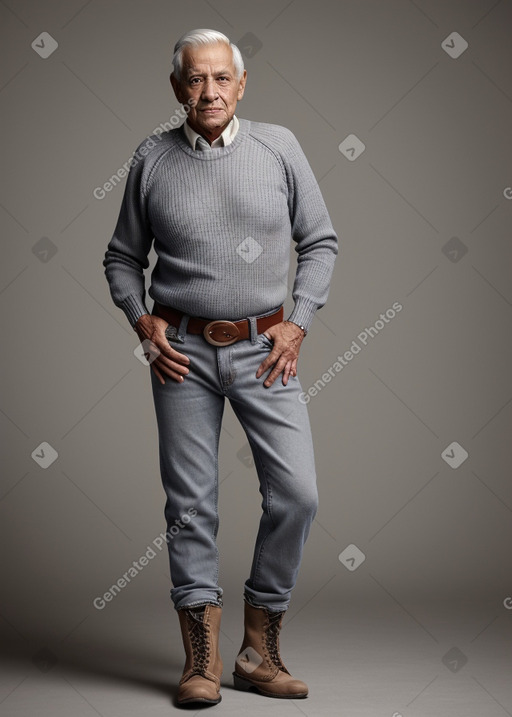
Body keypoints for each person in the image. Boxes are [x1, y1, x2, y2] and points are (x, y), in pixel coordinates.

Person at [103, 28, 338, 706]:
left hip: (267, 348)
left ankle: (258, 650)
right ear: (177, 88)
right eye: (195, 80)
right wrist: (141, 319)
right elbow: (122, 257)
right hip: (180, 352)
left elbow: (319, 241)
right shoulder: (152, 158)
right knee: (190, 507)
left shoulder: (280, 147)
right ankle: (201, 661)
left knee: (297, 495)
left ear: (241, 85)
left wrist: (299, 321)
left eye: (221, 79)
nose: (209, 91)